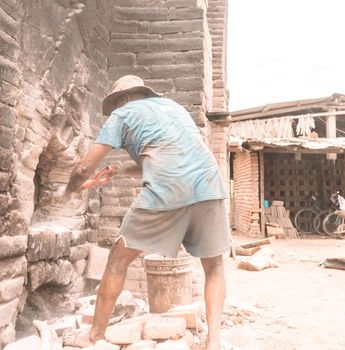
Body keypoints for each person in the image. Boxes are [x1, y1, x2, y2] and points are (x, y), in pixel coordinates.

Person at [57, 75, 231, 350]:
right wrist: (119, 172)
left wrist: (70, 189)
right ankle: (215, 342)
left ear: (123, 99)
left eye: (115, 104)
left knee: (118, 259)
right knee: (214, 265)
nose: (115, 110)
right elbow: (173, 154)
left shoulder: (123, 113)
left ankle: (94, 335)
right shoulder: (173, 108)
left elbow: (81, 168)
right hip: (210, 185)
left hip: (168, 189)